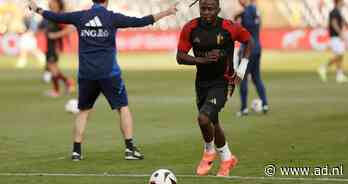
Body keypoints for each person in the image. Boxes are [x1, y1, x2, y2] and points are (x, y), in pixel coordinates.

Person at [27, 0, 177, 161]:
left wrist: (37, 9)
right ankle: (129, 149)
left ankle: (76, 151)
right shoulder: (112, 18)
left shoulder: (81, 16)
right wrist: (167, 12)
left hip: (86, 74)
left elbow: (55, 17)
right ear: (107, 1)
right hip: (109, 73)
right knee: (123, 108)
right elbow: (141, 22)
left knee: (83, 111)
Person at [176, 0, 253, 177]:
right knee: (213, 122)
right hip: (201, 82)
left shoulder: (228, 27)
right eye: (203, 8)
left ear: (218, 10)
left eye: (211, 9)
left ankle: (208, 152)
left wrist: (241, 68)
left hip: (223, 81)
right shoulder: (191, 28)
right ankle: (227, 159)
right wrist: (202, 60)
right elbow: (180, 56)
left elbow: (249, 41)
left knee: (203, 119)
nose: (207, 12)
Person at [235, 0, 268, 116]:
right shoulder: (254, 9)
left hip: (248, 50)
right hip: (257, 47)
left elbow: (244, 29)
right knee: (256, 78)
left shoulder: (247, 12)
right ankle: (265, 104)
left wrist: (239, 20)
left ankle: (244, 108)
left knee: (242, 77)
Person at [39, 0, 75, 97]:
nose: (50, 3)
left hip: (54, 46)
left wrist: (55, 35)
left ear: (58, 4)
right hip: (48, 45)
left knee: (52, 68)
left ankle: (57, 90)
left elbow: (70, 28)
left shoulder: (59, 16)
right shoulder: (50, 15)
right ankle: (67, 82)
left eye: (53, 2)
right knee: (52, 68)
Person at [318, 0, 348, 83]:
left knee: (340, 56)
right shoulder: (334, 12)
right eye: (342, 1)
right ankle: (323, 67)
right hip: (335, 37)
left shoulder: (338, 11)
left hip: (337, 36)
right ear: (339, 2)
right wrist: (340, 34)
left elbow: (341, 23)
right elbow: (333, 23)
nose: (344, 2)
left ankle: (339, 75)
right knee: (339, 54)